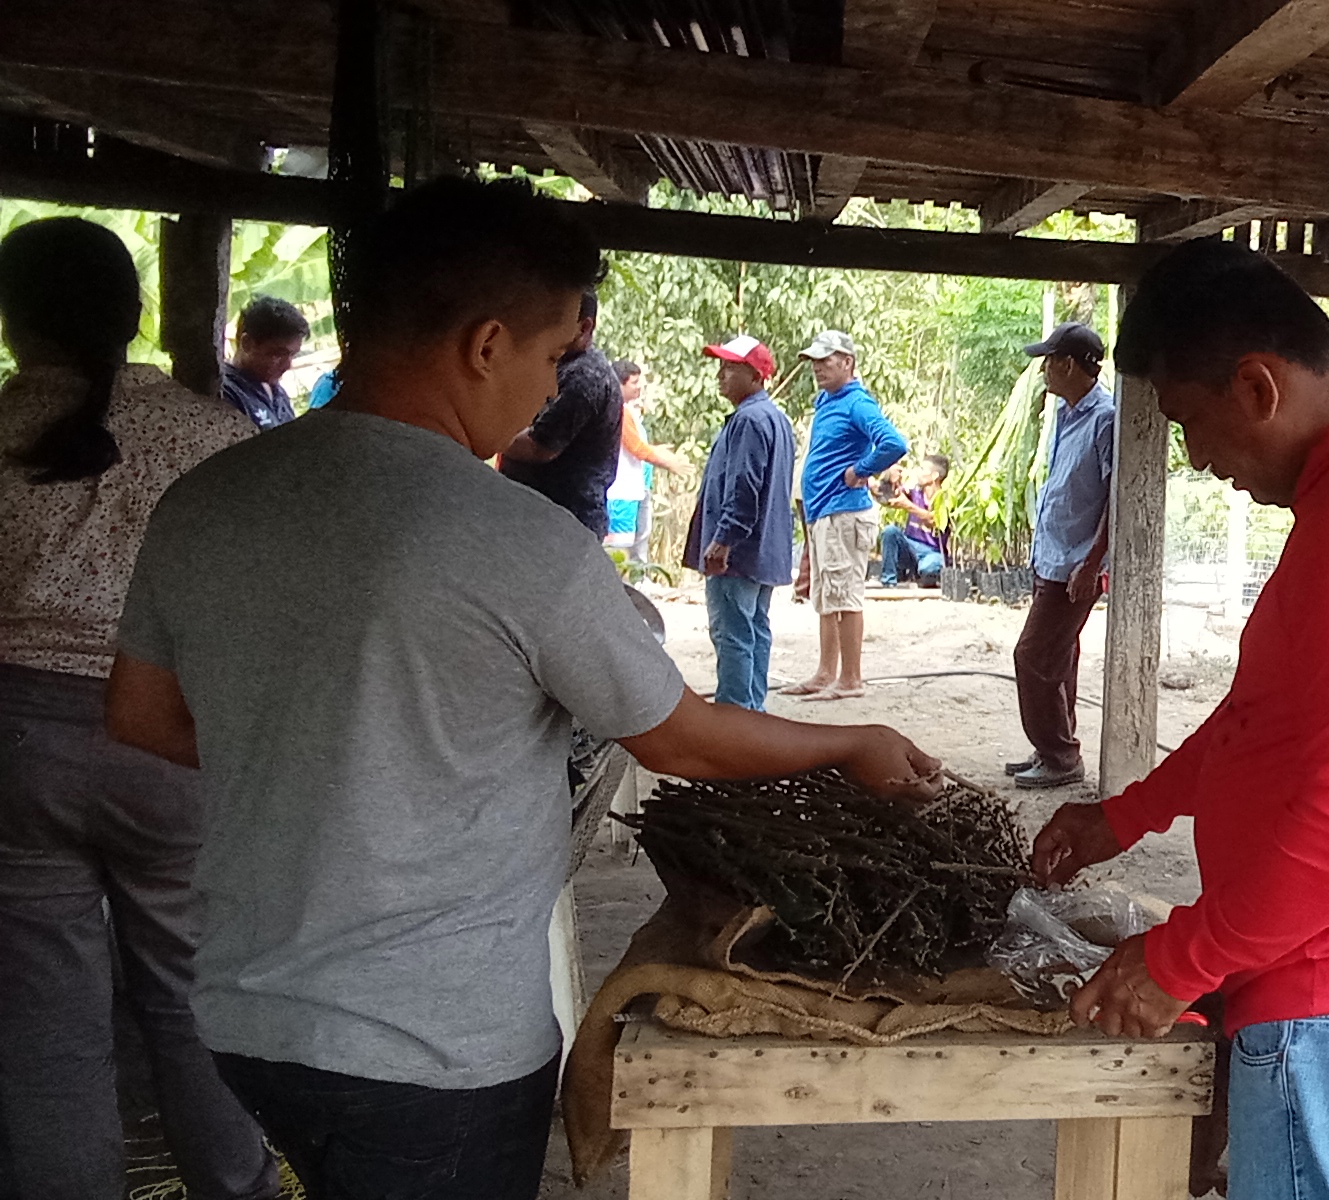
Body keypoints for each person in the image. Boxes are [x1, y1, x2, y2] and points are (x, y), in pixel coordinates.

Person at [102, 178, 941, 1200]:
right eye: (551, 358)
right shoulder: (514, 538)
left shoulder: (207, 500)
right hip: (433, 1044)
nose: (550, 390)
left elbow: (141, 715)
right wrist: (849, 742)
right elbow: (678, 738)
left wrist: (337, 752)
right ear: (487, 345)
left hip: (244, 1019)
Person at [1029, 240, 1329, 1200]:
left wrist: (1180, 960)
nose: (1197, 459)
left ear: (1257, 387)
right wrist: (1129, 813)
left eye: (1191, 423)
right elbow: (1269, 717)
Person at [0, 219, 278, 1200]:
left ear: (14, 320)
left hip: (19, 750)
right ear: (136, 314)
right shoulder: (213, 437)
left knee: (44, 1021)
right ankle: (238, 1186)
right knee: (190, 996)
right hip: (172, 738)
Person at [1006, 322, 1115, 789]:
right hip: (1054, 558)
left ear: (1068, 365)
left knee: (1033, 656)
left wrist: (1092, 563)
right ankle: (1055, 749)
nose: (1044, 371)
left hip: (1075, 563)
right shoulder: (1067, 414)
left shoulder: (1105, 418)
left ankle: (1060, 757)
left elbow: (1116, 497)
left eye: (1049, 361)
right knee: (1058, 658)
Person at [783, 330, 908, 702]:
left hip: (844, 512)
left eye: (825, 360)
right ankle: (825, 673)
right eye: (814, 362)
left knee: (846, 596)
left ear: (848, 362)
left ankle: (851, 678)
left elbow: (894, 443)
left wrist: (860, 470)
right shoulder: (827, 400)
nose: (817, 368)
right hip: (824, 511)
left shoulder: (857, 403)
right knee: (826, 595)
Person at [687, 333, 797, 712]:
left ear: (755, 376)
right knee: (754, 629)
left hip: (739, 553)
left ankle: (734, 716)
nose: (721, 374)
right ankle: (753, 713)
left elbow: (744, 486)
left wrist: (723, 540)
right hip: (762, 551)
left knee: (732, 634)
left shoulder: (749, 420)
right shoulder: (775, 418)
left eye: (731, 368)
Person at [498, 291, 625, 536]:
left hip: (563, 522)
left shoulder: (584, 376)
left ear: (584, 327)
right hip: (538, 514)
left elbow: (540, 447)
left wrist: (483, 434)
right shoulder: (561, 363)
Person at [605, 359, 686, 551]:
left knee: (629, 544)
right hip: (620, 492)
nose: (639, 387)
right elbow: (636, 448)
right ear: (620, 384)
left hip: (628, 490)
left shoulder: (625, 410)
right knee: (617, 548)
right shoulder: (618, 411)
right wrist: (667, 463)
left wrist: (657, 451)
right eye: (634, 382)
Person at [218, 294, 307, 431]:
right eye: (277, 354)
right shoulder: (226, 392)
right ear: (247, 343)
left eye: (292, 355)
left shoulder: (278, 393)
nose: (287, 366)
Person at [877, 453, 949, 587]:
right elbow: (887, 498)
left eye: (922, 469)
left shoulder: (945, 498)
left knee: (930, 568)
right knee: (890, 531)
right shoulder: (914, 491)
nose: (918, 473)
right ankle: (889, 581)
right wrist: (888, 479)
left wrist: (908, 505)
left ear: (934, 476)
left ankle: (919, 573)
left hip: (932, 551)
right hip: (909, 546)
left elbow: (934, 521)